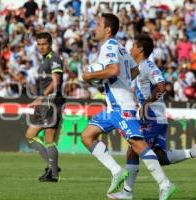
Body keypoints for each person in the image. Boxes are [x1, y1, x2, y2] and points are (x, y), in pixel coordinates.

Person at [82, 13, 175, 200]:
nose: (95, 27)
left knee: (138, 145)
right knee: (87, 136)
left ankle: (165, 184)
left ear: (107, 30)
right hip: (112, 108)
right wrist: (112, 83)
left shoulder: (108, 45)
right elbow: (133, 70)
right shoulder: (122, 48)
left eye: (98, 24)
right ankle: (117, 171)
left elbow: (114, 70)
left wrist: (89, 76)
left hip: (121, 106)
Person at [108, 34, 196, 200]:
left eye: (133, 46)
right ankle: (192, 151)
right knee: (159, 157)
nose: (130, 49)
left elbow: (162, 86)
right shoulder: (138, 67)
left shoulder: (148, 66)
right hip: (155, 117)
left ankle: (131, 192)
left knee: (133, 149)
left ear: (141, 49)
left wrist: (147, 103)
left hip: (152, 116)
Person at [25, 32, 65, 182]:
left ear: (50, 44)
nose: (41, 47)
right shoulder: (45, 60)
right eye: (39, 44)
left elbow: (56, 82)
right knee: (39, 137)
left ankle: (53, 170)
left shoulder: (54, 59)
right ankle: (53, 168)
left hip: (51, 102)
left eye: (44, 44)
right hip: (46, 103)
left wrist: (41, 97)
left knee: (39, 137)